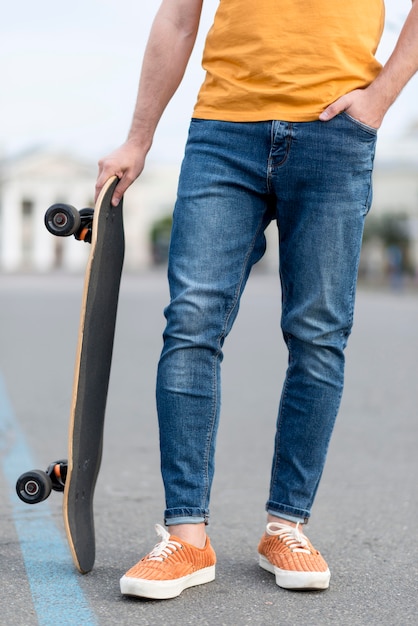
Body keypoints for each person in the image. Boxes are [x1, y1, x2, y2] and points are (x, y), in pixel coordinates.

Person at [96, 0, 418, 600]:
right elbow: (176, 17)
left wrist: (379, 98)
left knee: (318, 334)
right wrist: (138, 139)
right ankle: (186, 536)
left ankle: (287, 526)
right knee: (191, 322)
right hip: (224, 131)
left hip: (336, 132)